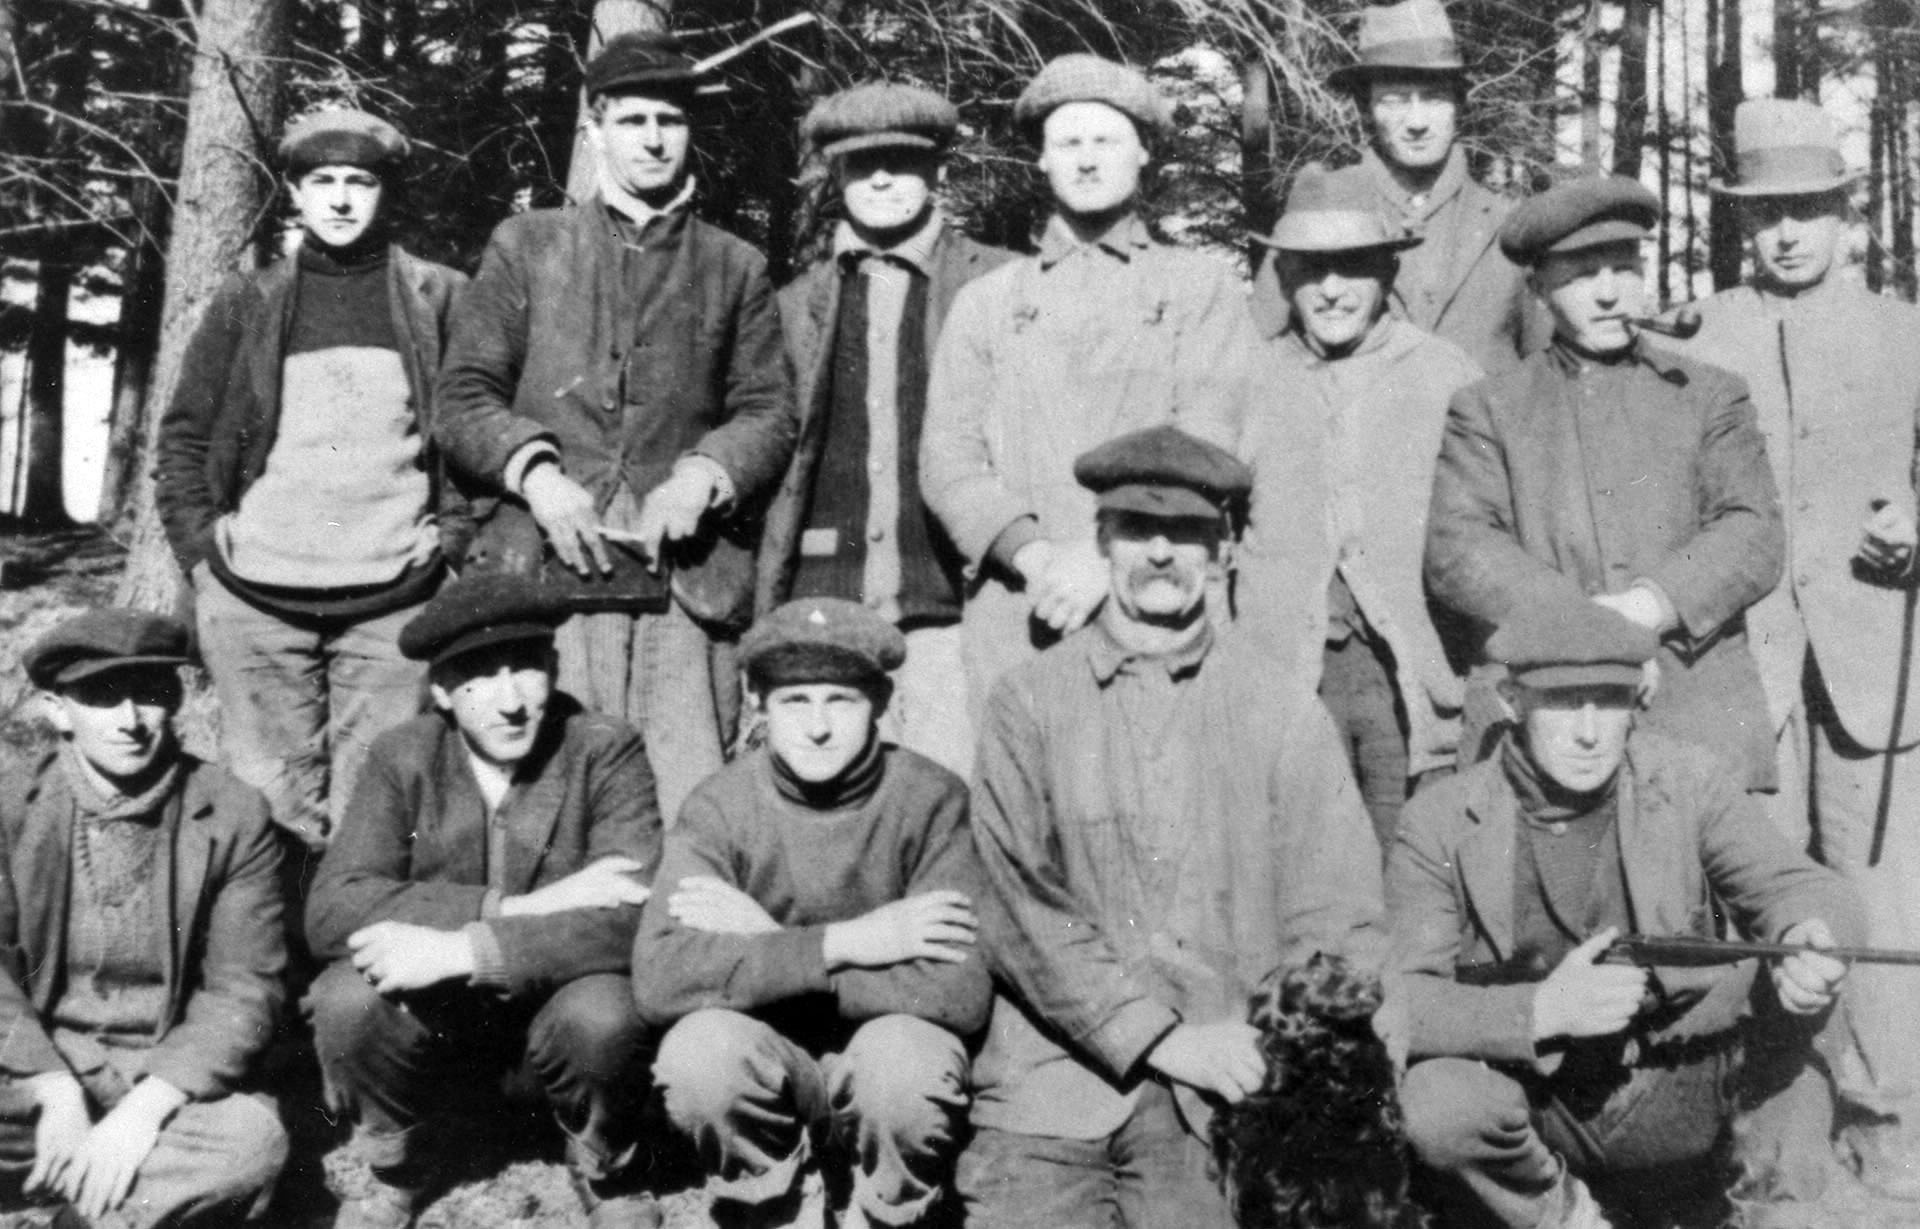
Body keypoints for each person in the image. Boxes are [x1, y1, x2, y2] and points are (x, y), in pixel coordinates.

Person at [955, 425, 1386, 1229]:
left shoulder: (1280, 706)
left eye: (1187, 533)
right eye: (1136, 531)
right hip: (1050, 1089)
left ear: (1221, 552)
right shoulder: (1028, 702)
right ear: (1102, 544)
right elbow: (1018, 906)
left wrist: (1271, 1055)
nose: (1161, 552)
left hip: (1217, 1089)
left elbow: (1337, 908)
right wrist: (1158, 1037)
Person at [1389, 600, 1865, 1228]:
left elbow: (1801, 886)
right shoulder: (1441, 818)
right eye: (1563, 703)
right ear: (1511, 700)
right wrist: (1542, 1012)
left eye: (1610, 700)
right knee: (1437, 1104)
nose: (1590, 731)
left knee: (1803, 1049)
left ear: (1640, 696)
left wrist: (1810, 933)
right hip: (1543, 1107)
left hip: (1683, 1083)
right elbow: (1402, 999)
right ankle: (1565, 1215)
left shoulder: (1685, 780)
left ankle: (1753, 1211)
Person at [435, 30, 796, 823]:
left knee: (684, 795)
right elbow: (462, 395)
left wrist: (704, 474)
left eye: (671, 119)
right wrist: (539, 476)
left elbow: (770, 410)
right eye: (632, 121)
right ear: (594, 130)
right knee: (553, 791)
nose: (654, 139)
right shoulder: (529, 246)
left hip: (685, 573)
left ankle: (675, 943)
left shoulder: (735, 265)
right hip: (550, 559)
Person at [1661, 96, 1920, 1193]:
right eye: (1765, 214)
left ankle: (1894, 1115)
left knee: (1890, 887)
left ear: (1845, 214)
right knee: (1760, 885)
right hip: (1746, 660)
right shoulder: (1699, 334)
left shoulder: (1904, 329)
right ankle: (1772, 1129)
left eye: (1807, 209)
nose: (1786, 234)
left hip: (1878, 657)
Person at [305, 574, 663, 1229]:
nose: (509, 701)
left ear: (553, 669)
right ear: (441, 690)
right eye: (478, 676)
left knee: (605, 1013)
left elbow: (636, 913)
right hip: (444, 1030)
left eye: (525, 668)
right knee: (346, 997)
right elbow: (333, 907)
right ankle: (400, 1164)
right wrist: (510, 909)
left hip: (554, 1016)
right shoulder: (402, 755)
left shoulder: (604, 748)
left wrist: (466, 947)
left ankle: (602, 1163)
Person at [155, 109, 467, 854]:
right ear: (293, 190)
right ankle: (267, 966)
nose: (339, 199)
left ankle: (350, 966)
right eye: (320, 180)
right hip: (257, 597)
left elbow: (470, 431)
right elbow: (185, 437)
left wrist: (451, 543)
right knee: (266, 811)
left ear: (387, 193)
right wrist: (205, 554)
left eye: (359, 181)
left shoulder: (440, 297)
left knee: (381, 809)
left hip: (395, 597)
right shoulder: (249, 299)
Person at [920, 54, 1256, 734]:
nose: (1087, 160)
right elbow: (949, 459)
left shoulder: (1200, 289)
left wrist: (1108, 560)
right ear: (1042, 161)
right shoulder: (989, 303)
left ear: (1142, 154)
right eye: (1068, 142)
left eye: (1106, 140)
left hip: (1162, 592)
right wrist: (1037, 557)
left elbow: (1213, 437)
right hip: (1026, 608)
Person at [632, 596, 990, 1228]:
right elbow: (661, 977)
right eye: (794, 701)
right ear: (759, 707)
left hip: (878, 1058)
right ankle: (772, 1205)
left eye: (841, 701)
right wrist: (846, 943)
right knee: (700, 1053)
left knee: (910, 1067)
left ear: (881, 705)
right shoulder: (720, 804)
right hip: (772, 1056)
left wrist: (767, 946)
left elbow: (957, 992)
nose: (817, 727)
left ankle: (885, 1212)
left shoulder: (932, 799)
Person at [1425, 175, 1784, 791]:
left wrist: (1649, 606)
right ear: (1537, 290)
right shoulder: (1488, 408)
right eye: (1582, 275)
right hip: (1545, 713)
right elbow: (1459, 550)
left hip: (1694, 714)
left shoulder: (1710, 395)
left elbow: (1752, 531)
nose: (1610, 293)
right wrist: (1586, 629)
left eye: (1624, 267)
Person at [757, 81, 1016, 775]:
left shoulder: (997, 285)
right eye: (859, 162)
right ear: (835, 174)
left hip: (950, 622)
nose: (879, 178)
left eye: (901, 161)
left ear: (939, 172)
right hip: (824, 618)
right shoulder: (792, 305)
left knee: (947, 806)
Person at [0, 610, 288, 1227]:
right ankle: (99, 1182)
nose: (130, 722)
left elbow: (244, 988)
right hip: (37, 1069)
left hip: (166, 1078)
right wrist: (54, 1088)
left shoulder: (233, 813)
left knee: (251, 1145)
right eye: (102, 697)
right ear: (56, 709)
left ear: (176, 701)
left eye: (150, 695)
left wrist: (141, 1112)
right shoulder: (10, 807)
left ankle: (89, 1212)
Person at [1239, 165, 1482, 851]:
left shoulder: (1445, 373)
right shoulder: (1248, 375)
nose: (1334, 290)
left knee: (1408, 863)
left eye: (1354, 268)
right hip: (1288, 675)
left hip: (1409, 673)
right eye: (1312, 271)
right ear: (1284, 277)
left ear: (1386, 272)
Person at [1249, 0, 1547, 374]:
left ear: (1460, 104)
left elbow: (1548, 372)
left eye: (1434, 98)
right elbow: (1256, 355)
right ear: (1365, 107)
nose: (1416, 121)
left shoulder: (1512, 228)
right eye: (1395, 100)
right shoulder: (1319, 211)